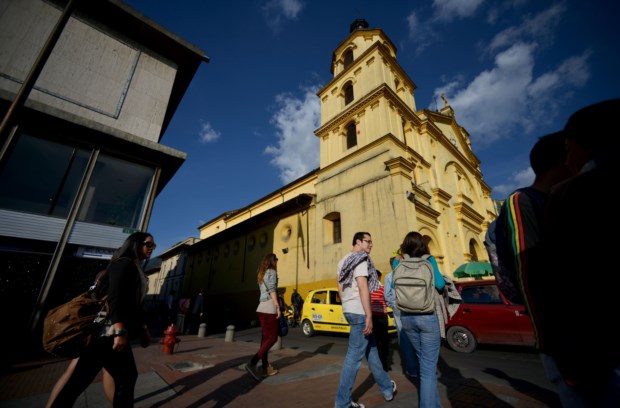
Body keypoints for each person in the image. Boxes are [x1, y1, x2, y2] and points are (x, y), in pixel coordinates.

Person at [536, 99, 620, 406]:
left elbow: (560, 271)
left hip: (591, 339)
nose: (568, 159)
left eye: (569, 150)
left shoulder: (573, 192)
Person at [49, 232, 154, 407]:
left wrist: (143, 329)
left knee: (87, 380)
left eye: (153, 246)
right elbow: (115, 298)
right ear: (135, 244)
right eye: (148, 244)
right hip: (107, 332)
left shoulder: (135, 268)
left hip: (111, 334)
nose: (152, 248)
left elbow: (135, 306)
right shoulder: (124, 263)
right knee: (118, 377)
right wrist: (120, 330)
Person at [334, 232, 396, 408]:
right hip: (360, 312)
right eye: (367, 241)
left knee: (372, 352)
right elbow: (363, 287)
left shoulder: (343, 261)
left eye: (371, 241)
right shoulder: (361, 259)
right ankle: (342, 403)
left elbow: (339, 287)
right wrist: (369, 315)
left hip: (349, 309)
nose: (371, 245)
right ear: (358, 242)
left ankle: (387, 388)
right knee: (353, 357)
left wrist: (346, 306)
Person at [395, 231, 445, 407]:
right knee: (428, 370)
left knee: (424, 365)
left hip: (407, 319)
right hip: (427, 317)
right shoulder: (429, 260)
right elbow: (440, 284)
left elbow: (393, 284)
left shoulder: (398, 262)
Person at [244, 253, 281, 381]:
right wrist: (277, 306)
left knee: (265, 338)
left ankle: (265, 367)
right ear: (272, 261)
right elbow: (272, 289)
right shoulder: (272, 272)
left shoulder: (262, 273)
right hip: (270, 307)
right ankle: (252, 363)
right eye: (276, 260)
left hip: (261, 308)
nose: (277, 262)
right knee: (273, 338)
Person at [384, 252, 418, 378]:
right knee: (414, 335)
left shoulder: (389, 277)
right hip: (412, 307)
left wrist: (393, 305)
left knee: (404, 338)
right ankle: (418, 366)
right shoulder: (409, 273)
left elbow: (387, 295)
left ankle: (411, 368)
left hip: (399, 308)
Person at [370, 270, 390, 372]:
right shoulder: (383, 288)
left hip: (373, 317)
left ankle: (377, 364)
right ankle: (384, 364)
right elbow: (387, 301)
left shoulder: (368, 288)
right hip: (382, 317)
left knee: (375, 341)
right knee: (384, 341)